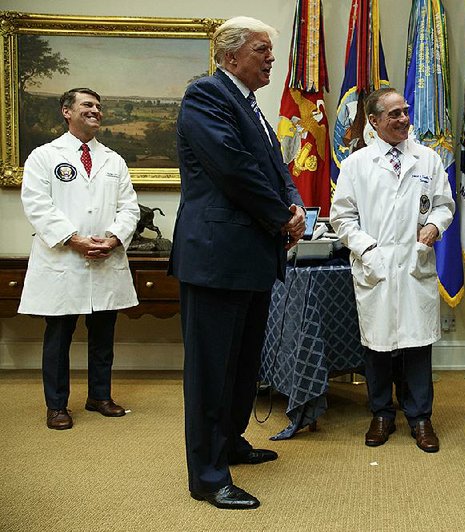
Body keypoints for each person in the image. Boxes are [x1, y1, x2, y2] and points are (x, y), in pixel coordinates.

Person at [169, 16, 306, 510]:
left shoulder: (253, 107)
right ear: (230, 57)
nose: (272, 58)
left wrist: (295, 208)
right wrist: (280, 216)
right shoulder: (206, 96)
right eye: (261, 50)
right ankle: (206, 476)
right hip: (215, 258)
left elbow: (278, 170)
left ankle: (229, 443)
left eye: (271, 50)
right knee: (211, 371)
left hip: (250, 257)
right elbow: (233, 167)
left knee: (243, 366)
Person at [330, 88, 455, 454]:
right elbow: (342, 216)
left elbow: (444, 205)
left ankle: (420, 418)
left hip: (415, 264)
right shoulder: (357, 164)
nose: (404, 119)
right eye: (394, 114)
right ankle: (381, 413)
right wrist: (367, 250)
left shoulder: (427, 160)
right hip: (377, 266)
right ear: (373, 121)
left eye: (405, 111)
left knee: (417, 345)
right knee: (378, 345)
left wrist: (434, 227)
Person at [18, 88, 139, 430]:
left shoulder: (113, 160)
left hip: (105, 257)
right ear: (66, 112)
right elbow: (38, 205)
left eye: (99, 107)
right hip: (63, 260)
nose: (96, 111)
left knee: (103, 334)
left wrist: (113, 238)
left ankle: (99, 396)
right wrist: (75, 240)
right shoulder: (44, 156)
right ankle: (56, 405)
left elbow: (129, 206)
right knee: (59, 336)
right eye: (88, 105)